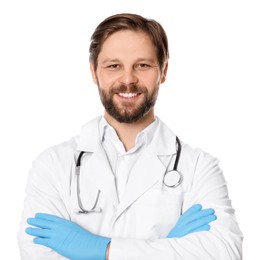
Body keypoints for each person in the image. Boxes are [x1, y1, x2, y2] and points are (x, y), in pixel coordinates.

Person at [18, 13, 243, 259]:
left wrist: (100, 249)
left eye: (143, 65)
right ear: (94, 72)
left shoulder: (200, 167)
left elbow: (225, 252)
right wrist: (169, 247)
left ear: (163, 71)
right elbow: (37, 254)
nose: (128, 80)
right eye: (113, 66)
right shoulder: (52, 166)